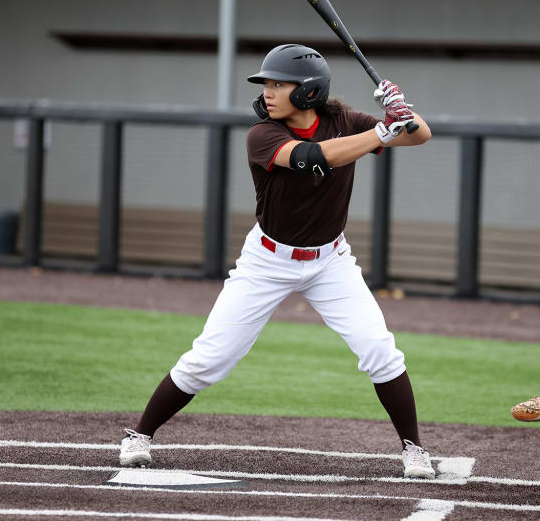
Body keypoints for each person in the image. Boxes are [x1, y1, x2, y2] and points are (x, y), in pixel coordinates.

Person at [119, 44, 436, 479]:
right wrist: (383, 131)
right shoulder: (262, 134)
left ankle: (414, 448)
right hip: (266, 260)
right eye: (267, 84)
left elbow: (420, 136)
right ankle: (140, 435)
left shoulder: (343, 119)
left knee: (380, 349)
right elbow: (314, 159)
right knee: (210, 357)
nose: (268, 92)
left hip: (331, 261)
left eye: (278, 84)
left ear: (308, 91)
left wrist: (400, 112)